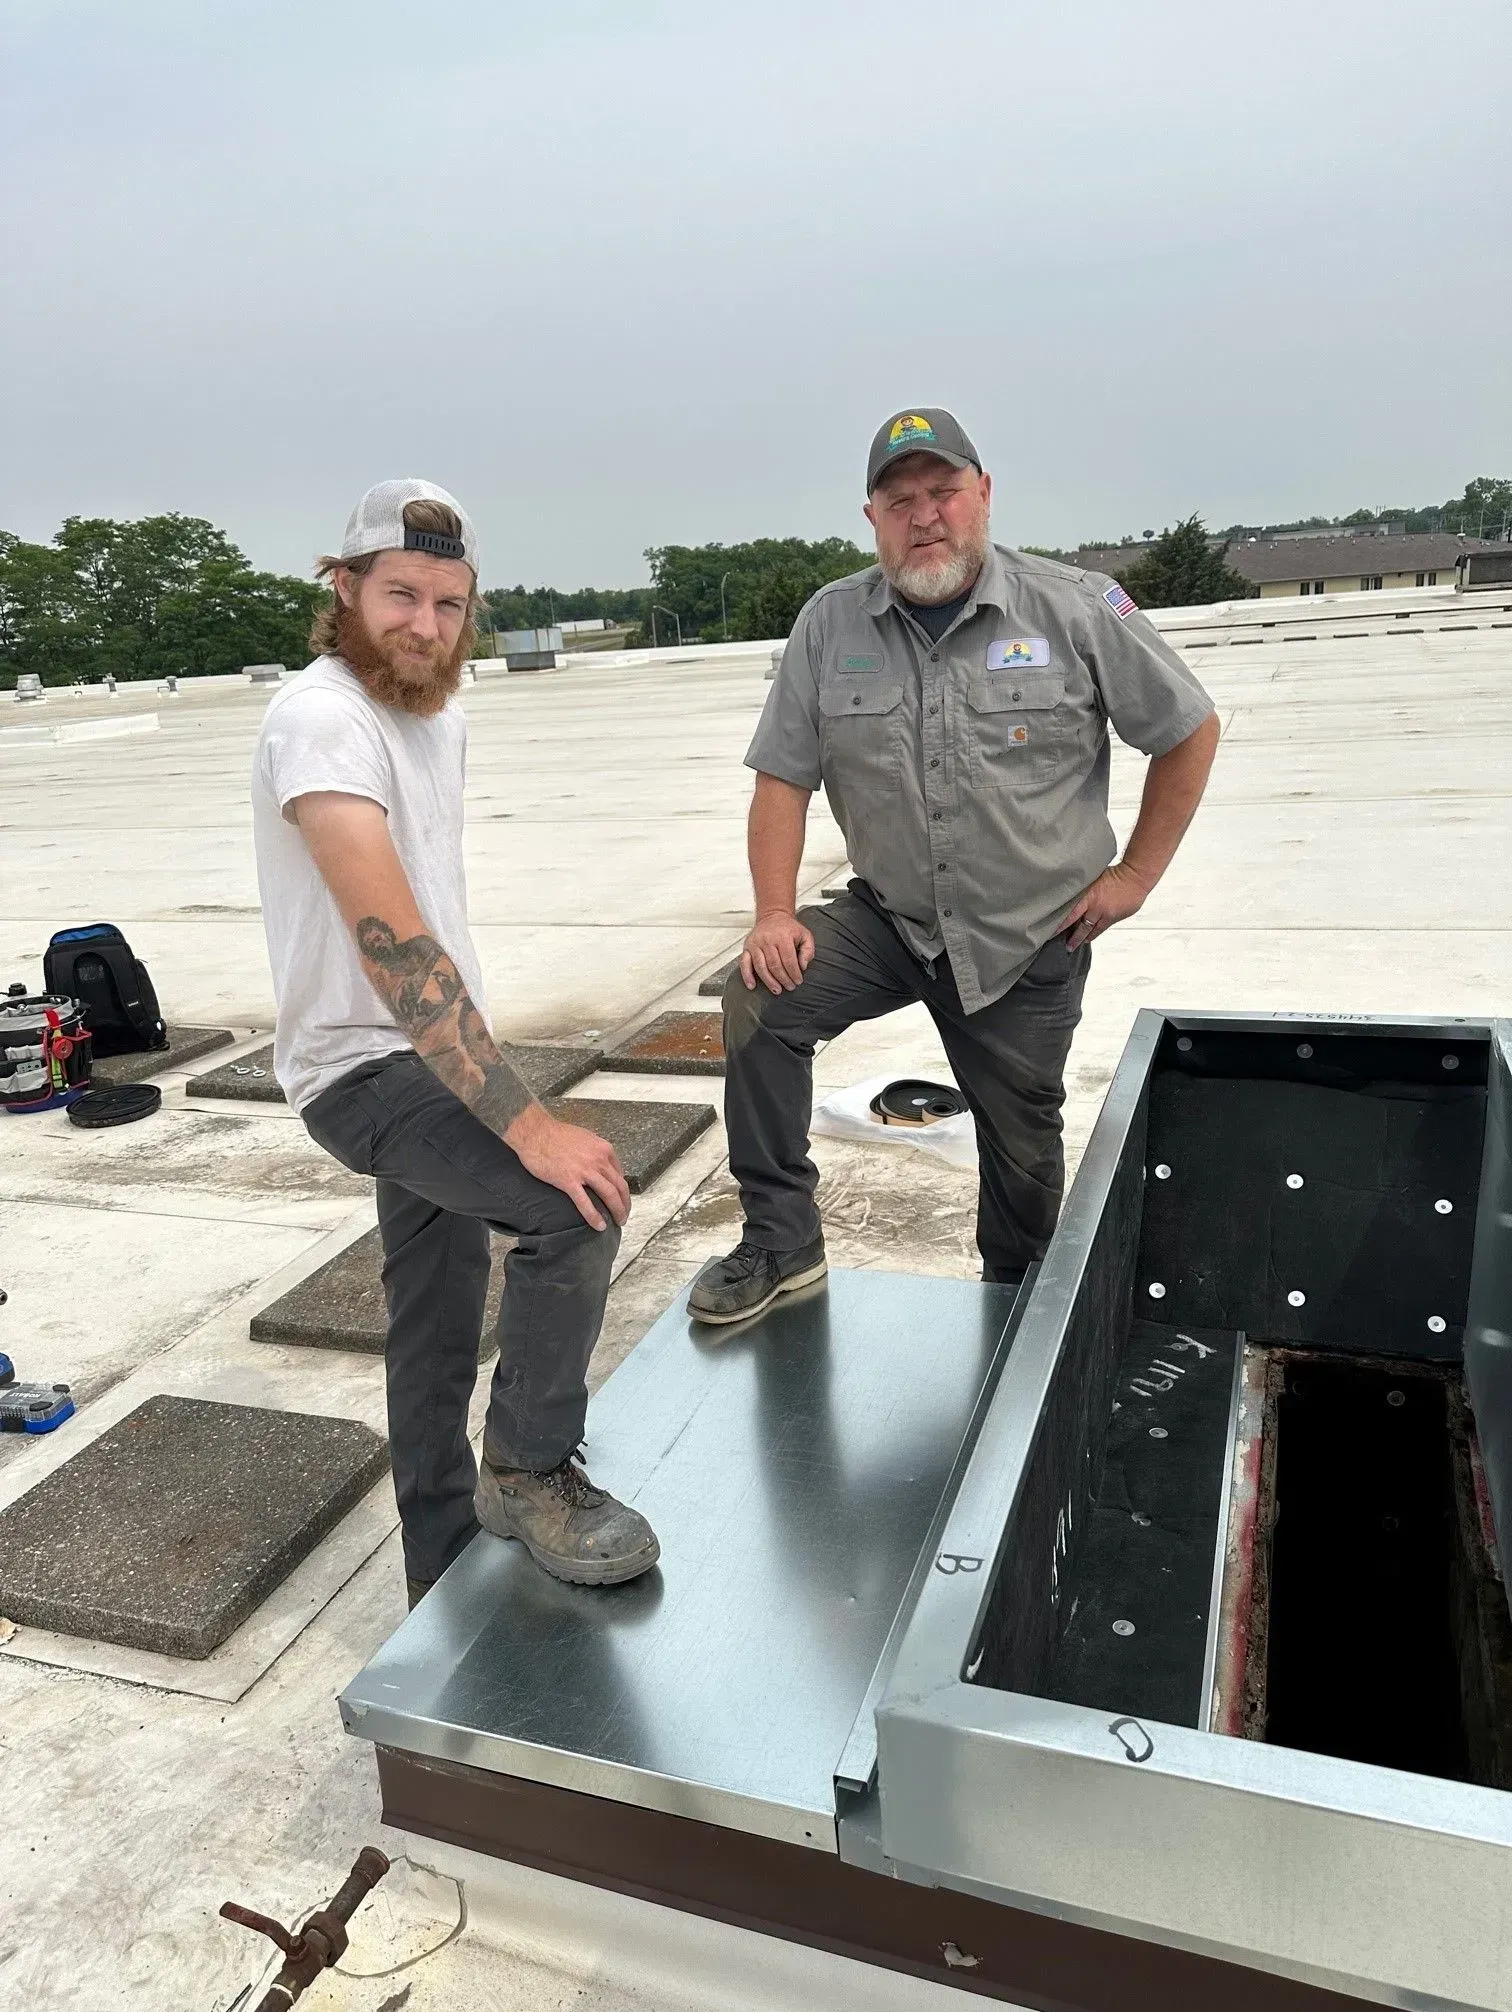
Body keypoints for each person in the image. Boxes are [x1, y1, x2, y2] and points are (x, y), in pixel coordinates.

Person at [690, 409, 1219, 1324]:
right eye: (901, 502)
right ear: (873, 518)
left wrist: (1133, 877)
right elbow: (781, 780)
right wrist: (773, 913)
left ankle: (1014, 1309)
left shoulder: (1077, 607)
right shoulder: (829, 623)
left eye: (943, 492)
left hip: (1028, 936)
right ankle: (781, 1240)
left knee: (1022, 1149)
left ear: (984, 494)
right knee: (760, 999)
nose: (925, 517)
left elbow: (1188, 729)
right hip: (890, 921)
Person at [251, 479, 659, 1603]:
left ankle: (441, 1569)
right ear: (344, 589)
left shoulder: (436, 718)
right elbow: (391, 943)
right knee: (572, 1209)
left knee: (433, 1318)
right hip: (361, 1068)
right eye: (400, 596)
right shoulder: (321, 720)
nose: (425, 625)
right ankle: (528, 1470)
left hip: (425, 1061)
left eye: (448, 603)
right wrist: (526, 1124)